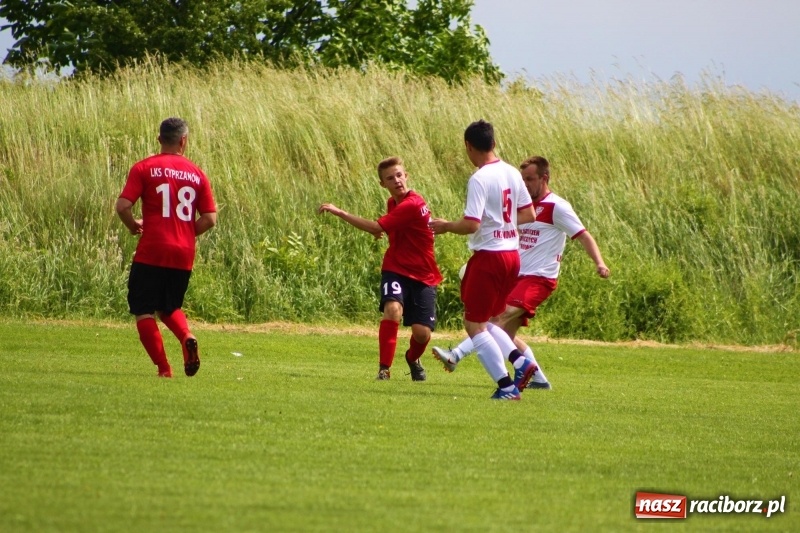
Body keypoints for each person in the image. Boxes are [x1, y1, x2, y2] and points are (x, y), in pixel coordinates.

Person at [432, 156, 611, 389]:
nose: (525, 184)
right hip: (514, 275)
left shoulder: (557, 207)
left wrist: (599, 262)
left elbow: (583, 235)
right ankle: (538, 378)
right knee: (505, 333)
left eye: (530, 179)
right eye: (523, 179)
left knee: (495, 319)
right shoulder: (520, 206)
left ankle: (456, 355)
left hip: (539, 278)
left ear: (544, 178)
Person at [429, 120, 537, 400]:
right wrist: (502, 223)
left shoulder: (479, 178)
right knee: (489, 322)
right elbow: (529, 215)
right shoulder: (512, 172)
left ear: (468, 146)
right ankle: (521, 362)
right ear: (494, 142)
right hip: (512, 256)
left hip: (490, 257)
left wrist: (446, 226)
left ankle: (506, 386)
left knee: (474, 325)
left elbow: (471, 224)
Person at [318, 157, 442, 381]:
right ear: (382, 184)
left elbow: (378, 225)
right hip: (395, 267)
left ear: (407, 176)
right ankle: (384, 370)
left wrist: (340, 212)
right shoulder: (392, 203)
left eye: (399, 175)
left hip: (424, 274)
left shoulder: (413, 203)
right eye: (389, 178)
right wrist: (381, 231)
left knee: (421, 334)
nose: (396, 180)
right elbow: (391, 226)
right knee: (393, 309)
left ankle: (413, 358)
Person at [116, 117, 217, 378]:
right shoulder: (197, 174)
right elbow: (210, 219)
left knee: (143, 309)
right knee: (168, 306)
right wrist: (184, 231)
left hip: (152, 248)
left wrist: (132, 225)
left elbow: (123, 206)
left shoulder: (144, 168)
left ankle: (164, 368)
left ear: (159, 139)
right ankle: (186, 336)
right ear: (184, 141)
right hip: (183, 252)